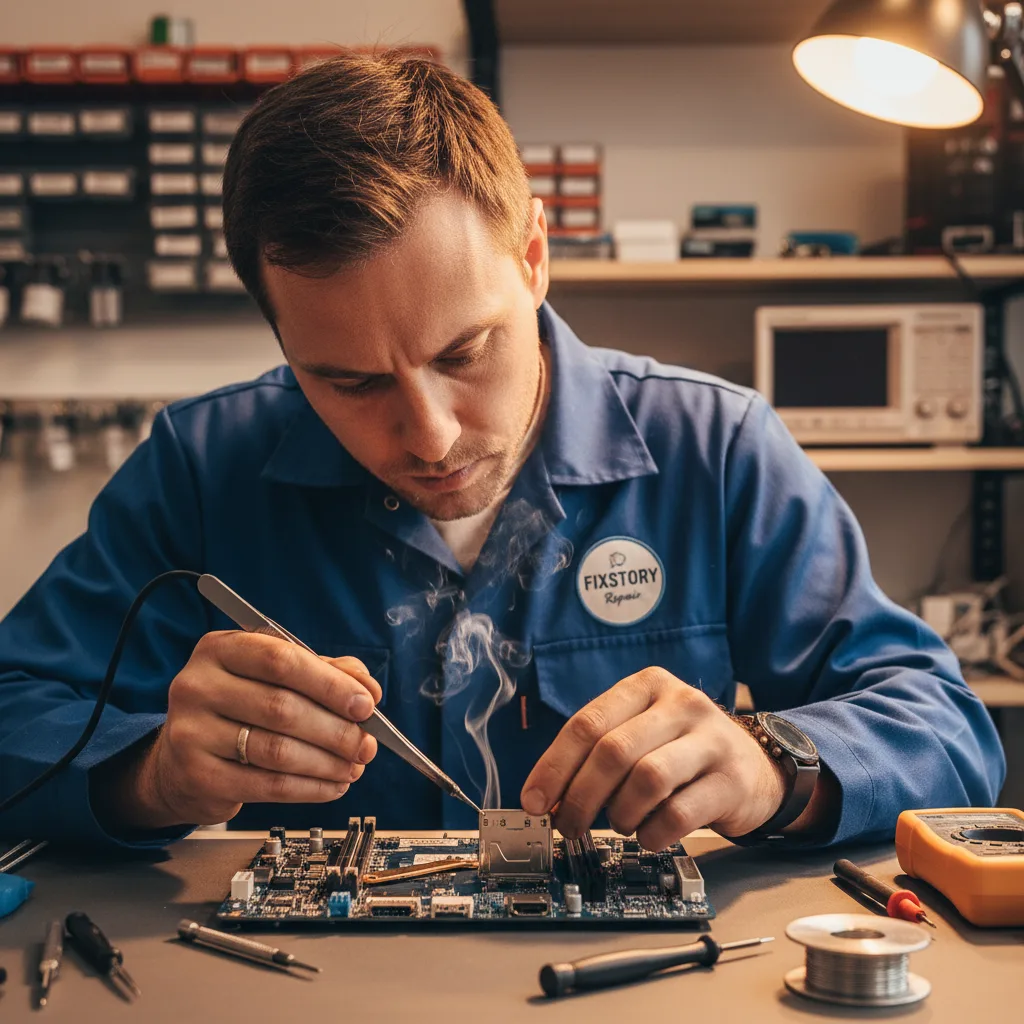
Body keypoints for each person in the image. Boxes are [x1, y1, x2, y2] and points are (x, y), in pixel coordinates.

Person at [0, 52, 1004, 850]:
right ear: (279, 338)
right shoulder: (200, 467)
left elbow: (946, 730)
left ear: (533, 256)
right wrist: (150, 775)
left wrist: (773, 763)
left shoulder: (716, 448)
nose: (430, 435)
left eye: (464, 351)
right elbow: (15, 707)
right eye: (349, 381)